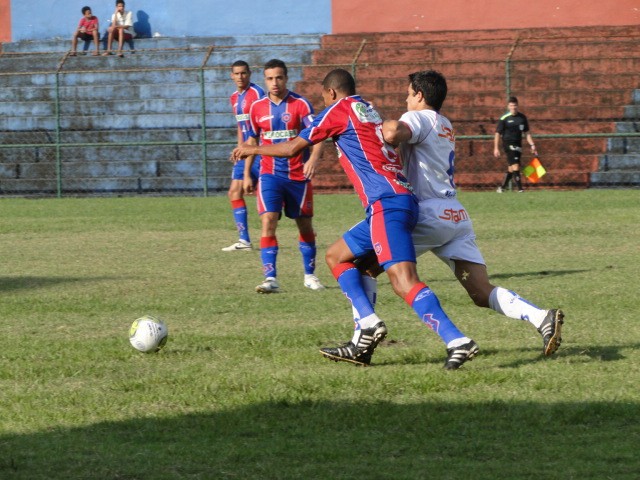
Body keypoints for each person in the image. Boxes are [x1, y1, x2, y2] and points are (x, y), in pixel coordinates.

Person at [234, 68, 478, 370]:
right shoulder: (369, 110)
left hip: (386, 203)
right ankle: (364, 330)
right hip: (399, 199)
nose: (323, 102)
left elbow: (292, 148)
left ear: (331, 93)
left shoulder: (338, 110)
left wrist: (252, 149)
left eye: (324, 96)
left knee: (403, 281)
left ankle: (457, 341)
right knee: (337, 256)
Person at [343, 70, 564, 366]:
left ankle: (363, 339)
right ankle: (542, 317)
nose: (406, 99)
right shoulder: (444, 123)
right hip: (455, 215)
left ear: (420, 95)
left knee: (365, 268)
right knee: (480, 290)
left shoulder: (420, 117)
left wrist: (368, 123)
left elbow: (392, 133)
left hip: (426, 212)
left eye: (409, 94)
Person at [240, 59, 325, 293]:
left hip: (298, 175)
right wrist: (248, 173)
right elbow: (252, 142)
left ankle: (310, 275)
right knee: (268, 221)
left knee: (305, 225)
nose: (274, 82)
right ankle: (270, 278)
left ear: (286, 78)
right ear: (264, 80)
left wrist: (313, 159)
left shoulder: (300, 104)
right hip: (269, 174)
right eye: (269, 78)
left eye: (278, 77)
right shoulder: (256, 108)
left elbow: (317, 135)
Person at [221, 60, 266, 252]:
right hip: (246, 151)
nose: (240, 77)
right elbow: (242, 126)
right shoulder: (234, 98)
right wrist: (239, 147)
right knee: (234, 192)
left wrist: (249, 148)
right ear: (231, 76)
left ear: (250, 74)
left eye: (243, 73)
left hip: (260, 151)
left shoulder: (257, 94)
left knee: (266, 200)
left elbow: (261, 126)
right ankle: (244, 240)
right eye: (237, 74)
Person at [494, 96, 537, 193]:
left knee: (511, 168)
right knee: (516, 166)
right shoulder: (504, 118)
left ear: (518, 106)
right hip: (508, 144)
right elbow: (497, 133)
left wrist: (532, 145)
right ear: (508, 106)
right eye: (511, 105)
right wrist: (496, 148)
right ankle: (520, 189)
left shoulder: (522, 118)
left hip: (518, 145)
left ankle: (502, 188)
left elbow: (527, 133)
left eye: (515, 105)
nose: (513, 107)